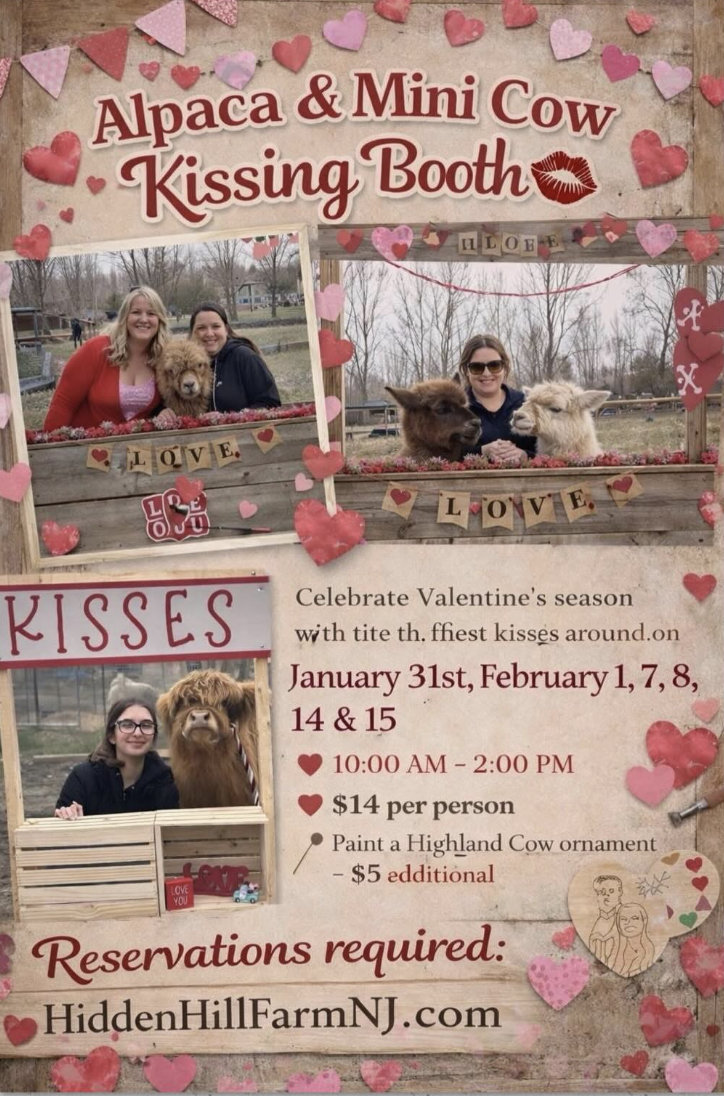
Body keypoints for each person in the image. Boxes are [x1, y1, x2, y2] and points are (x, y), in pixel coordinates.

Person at [44, 287, 168, 430]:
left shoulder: (164, 359)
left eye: (151, 313)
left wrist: (162, 411)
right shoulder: (96, 350)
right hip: (85, 441)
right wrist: (52, 441)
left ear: (160, 320)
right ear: (125, 317)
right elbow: (63, 404)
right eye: (136, 312)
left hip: (137, 444)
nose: (144, 319)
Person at [54, 698, 178, 819]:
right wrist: (66, 814)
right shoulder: (83, 777)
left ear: (154, 736)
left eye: (146, 725)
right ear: (112, 736)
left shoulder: (165, 780)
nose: (138, 733)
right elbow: (60, 825)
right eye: (127, 725)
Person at [189, 301, 281, 412]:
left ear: (226, 330)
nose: (209, 333)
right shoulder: (183, 365)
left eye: (216, 326)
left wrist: (229, 418)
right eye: (201, 328)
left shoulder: (245, 358)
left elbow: (271, 404)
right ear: (192, 332)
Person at [458, 334, 537, 463]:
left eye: (494, 365)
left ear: (504, 367)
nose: (486, 373)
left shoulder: (526, 404)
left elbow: (551, 450)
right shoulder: (455, 409)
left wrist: (524, 455)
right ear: (466, 370)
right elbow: (442, 455)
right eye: (477, 367)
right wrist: (482, 452)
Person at [612, 903, 656, 976]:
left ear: (644, 921)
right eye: (623, 919)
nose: (628, 922)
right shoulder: (618, 950)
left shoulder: (647, 951)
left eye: (634, 918)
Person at [589, 874, 623, 965]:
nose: (607, 895)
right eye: (602, 892)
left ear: (620, 891)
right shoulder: (599, 922)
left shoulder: (625, 916)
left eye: (611, 891)